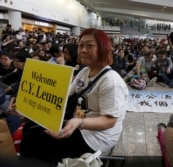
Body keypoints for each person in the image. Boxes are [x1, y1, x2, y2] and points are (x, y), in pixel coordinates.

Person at [19, 28, 128, 164]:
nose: (83, 50)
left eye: (89, 45)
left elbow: (109, 121)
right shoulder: (85, 71)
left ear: (102, 49)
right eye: (81, 45)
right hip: (77, 122)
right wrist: (30, 104)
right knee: (29, 128)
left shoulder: (111, 82)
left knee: (33, 141)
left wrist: (79, 122)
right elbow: (65, 95)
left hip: (97, 136)